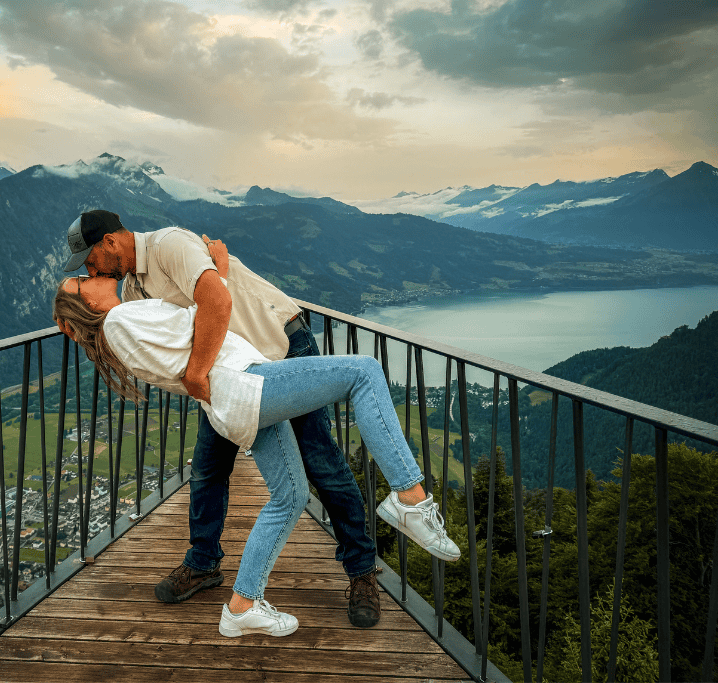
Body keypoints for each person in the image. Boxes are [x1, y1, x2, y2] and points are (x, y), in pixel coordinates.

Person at [53, 274, 460, 638]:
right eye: (80, 284)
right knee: (365, 371)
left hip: (233, 403)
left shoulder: (120, 331)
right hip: (247, 383)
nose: (88, 277)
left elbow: (184, 340)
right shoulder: (122, 320)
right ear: (86, 304)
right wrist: (215, 275)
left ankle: (241, 608)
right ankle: (411, 499)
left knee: (290, 497)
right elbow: (201, 318)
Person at [60, 209, 385, 628]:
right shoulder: (135, 292)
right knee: (209, 468)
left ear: (109, 242)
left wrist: (197, 371)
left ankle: (361, 575)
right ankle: (203, 563)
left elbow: (216, 302)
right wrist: (75, 314)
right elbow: (185, 337)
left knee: (322, 463)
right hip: (233, 373)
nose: (92, 269)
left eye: (90, 261)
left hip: (279, 344)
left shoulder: (169, 245)